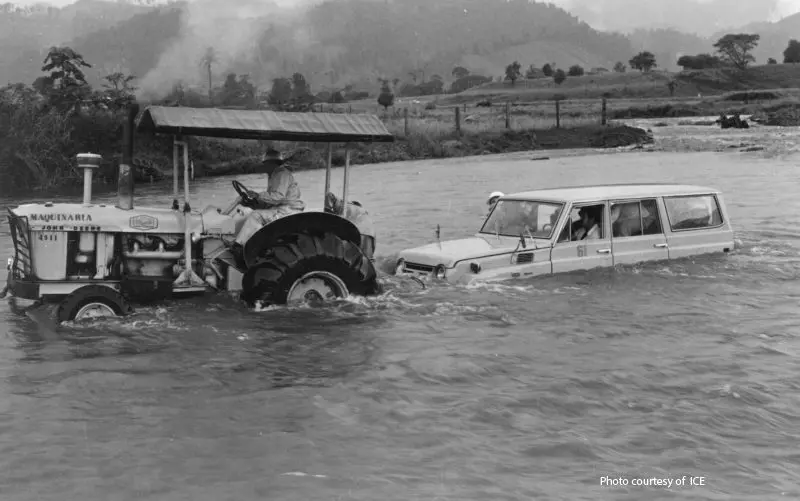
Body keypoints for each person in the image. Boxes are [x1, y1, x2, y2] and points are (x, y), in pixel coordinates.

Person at [229, 147, 306, 263]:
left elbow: (278, 196)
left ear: (272, 163)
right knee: (251, 213)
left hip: (287, 211)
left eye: (265, 164)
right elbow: (272, 199)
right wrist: (255, 202)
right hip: (280, 208)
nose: (264, 167)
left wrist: (258, 196)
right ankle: (246, 244)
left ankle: (238, 247)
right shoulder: (274, 175)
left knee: (256, 216)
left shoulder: (281, 174)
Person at [325, 192, 376, 261]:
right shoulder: (352, 206)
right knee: (368, 259)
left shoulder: (342, 206)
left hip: (361, 230)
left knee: (363, 259)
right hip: (369, 231)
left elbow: (338, 222)